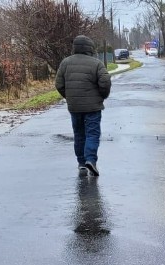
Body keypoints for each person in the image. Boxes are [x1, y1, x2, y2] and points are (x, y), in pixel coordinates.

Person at [55, 35, 111, 176]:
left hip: (74, 107)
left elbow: (59, 84)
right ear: (90, 48)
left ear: (75, 47)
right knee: (92, 133)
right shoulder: (96, 63)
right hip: (93, 107)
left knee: (79, 134)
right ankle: (90, 160)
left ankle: (81, 163)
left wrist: (69, 97)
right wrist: (101, 96)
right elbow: (105, 82)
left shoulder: (65, 63)